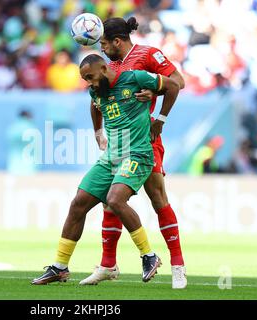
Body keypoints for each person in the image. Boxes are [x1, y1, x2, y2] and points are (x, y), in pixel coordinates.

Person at [31, 53, 180, 285]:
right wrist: (97, 131)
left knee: (115, 200)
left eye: (90, 77)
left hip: (137, 154)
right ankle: (59, 267)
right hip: (111, 157)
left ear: (103, 68)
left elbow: (172, 85)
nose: (88, 83)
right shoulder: (96, 91)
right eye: (85, 79)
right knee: (78, 203)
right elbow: (95, 105)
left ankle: (148, 255)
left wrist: (160, 119)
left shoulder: (135, 78)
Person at [80, 17, 187, 289]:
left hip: (145, 139)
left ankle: (177, 266)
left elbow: (178, 81)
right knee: (109, 200)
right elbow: (96, 101)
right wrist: (98, 131)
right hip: (118, 143)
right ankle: (107, 264)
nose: (101, 48)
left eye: (103, 43)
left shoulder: (147, 54)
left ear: (117, 41)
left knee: (157, 198)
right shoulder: (110, 68)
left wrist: (159, 114)